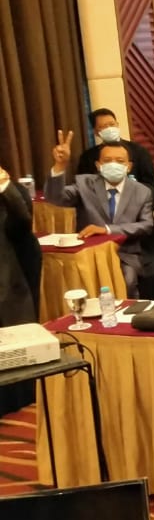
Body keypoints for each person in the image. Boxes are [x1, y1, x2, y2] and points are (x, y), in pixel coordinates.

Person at [45, 134, 154, 296]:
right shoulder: (85, 184)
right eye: (107, 160)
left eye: (120, 161)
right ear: (98, 165)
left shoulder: (142, 191)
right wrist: (60, 166)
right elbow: (56, 198)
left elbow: (146, 225)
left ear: (129, 166)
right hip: (88, 253)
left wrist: (108, 230)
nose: (113, 165)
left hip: (125, 254)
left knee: (128, 281)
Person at [0, 164, 40, 416]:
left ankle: (16, 400)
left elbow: (22, 221)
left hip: (9, 275)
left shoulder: (10, 193)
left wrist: (4, 187)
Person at [75, 108, 154, 188]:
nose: (109, 129)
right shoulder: (87, 157)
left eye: (112, 124)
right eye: (103, 126)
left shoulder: (139, 151)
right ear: (95, 132)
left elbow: (151, 185)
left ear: (117, 125)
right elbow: (83, 187)